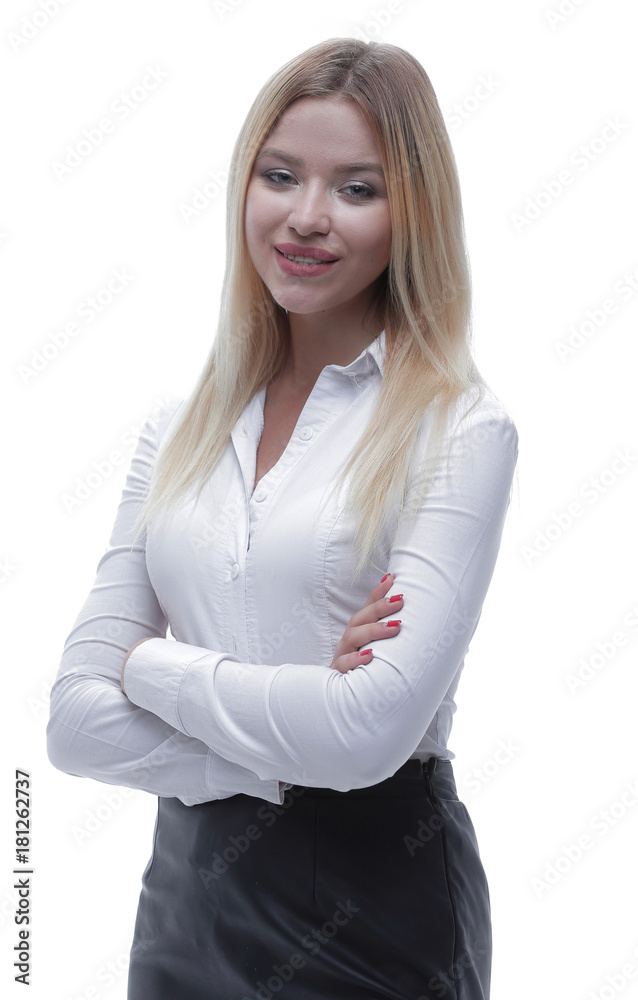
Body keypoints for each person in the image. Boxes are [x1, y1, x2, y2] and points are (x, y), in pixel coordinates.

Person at [47, 36, 518, 1000]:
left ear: (413, 215)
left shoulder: (459, 430)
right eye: (280, 176)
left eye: (357, 189)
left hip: (374, 904)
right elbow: (72, 724)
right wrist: (299, 718)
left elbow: (364, 738)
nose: (307, 216)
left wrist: (148, 666)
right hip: (185, 901)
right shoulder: (177, 429)